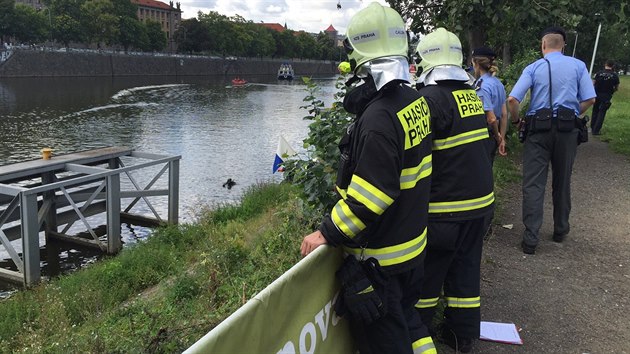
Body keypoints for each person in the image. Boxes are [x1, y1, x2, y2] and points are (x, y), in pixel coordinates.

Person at [300, 3, 436, 354]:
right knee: (412, 326)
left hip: (384, 262)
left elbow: (370, 197)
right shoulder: (414, 100)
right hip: (413, 248)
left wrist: (325, 232)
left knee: (387, 342)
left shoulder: (377, 119)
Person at [413, 28, 495, 353]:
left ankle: (417, 332)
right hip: (481, 206)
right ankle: (462, 335)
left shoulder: (430, 100)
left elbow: (413, 156)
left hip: (445, 210)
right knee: (465, 272)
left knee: (428, 276)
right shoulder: (470, 95)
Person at [507, 26, 596, 254]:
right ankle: (560, 229)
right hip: (567, 131)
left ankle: (530, 239)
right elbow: (590, 99)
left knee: (534, 184)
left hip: (538, 131)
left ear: (543, 45)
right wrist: (572, 112)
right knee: (562, 179)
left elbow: (513, 100)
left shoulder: (534, 67)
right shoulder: (578, 66)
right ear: (563, 45)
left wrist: (518, 123)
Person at [471, 46, 507, 161]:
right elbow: (504, 114)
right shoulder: (498, 83)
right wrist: (502, 137)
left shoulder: (481, 86)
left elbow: (490, 118)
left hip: (485, 134)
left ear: (476, 63)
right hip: (495, 133)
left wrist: (497, 137)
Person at [591, 59, 620, 135]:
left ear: (605, 64)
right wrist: (613, 91)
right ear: (613, 66)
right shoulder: (615, 76)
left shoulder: (598, 73)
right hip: (607, 96)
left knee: (595, 111)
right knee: (602, 113)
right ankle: (596, 131)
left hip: (597, 94)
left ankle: (592, 127)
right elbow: (616, 87)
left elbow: (593, 83)